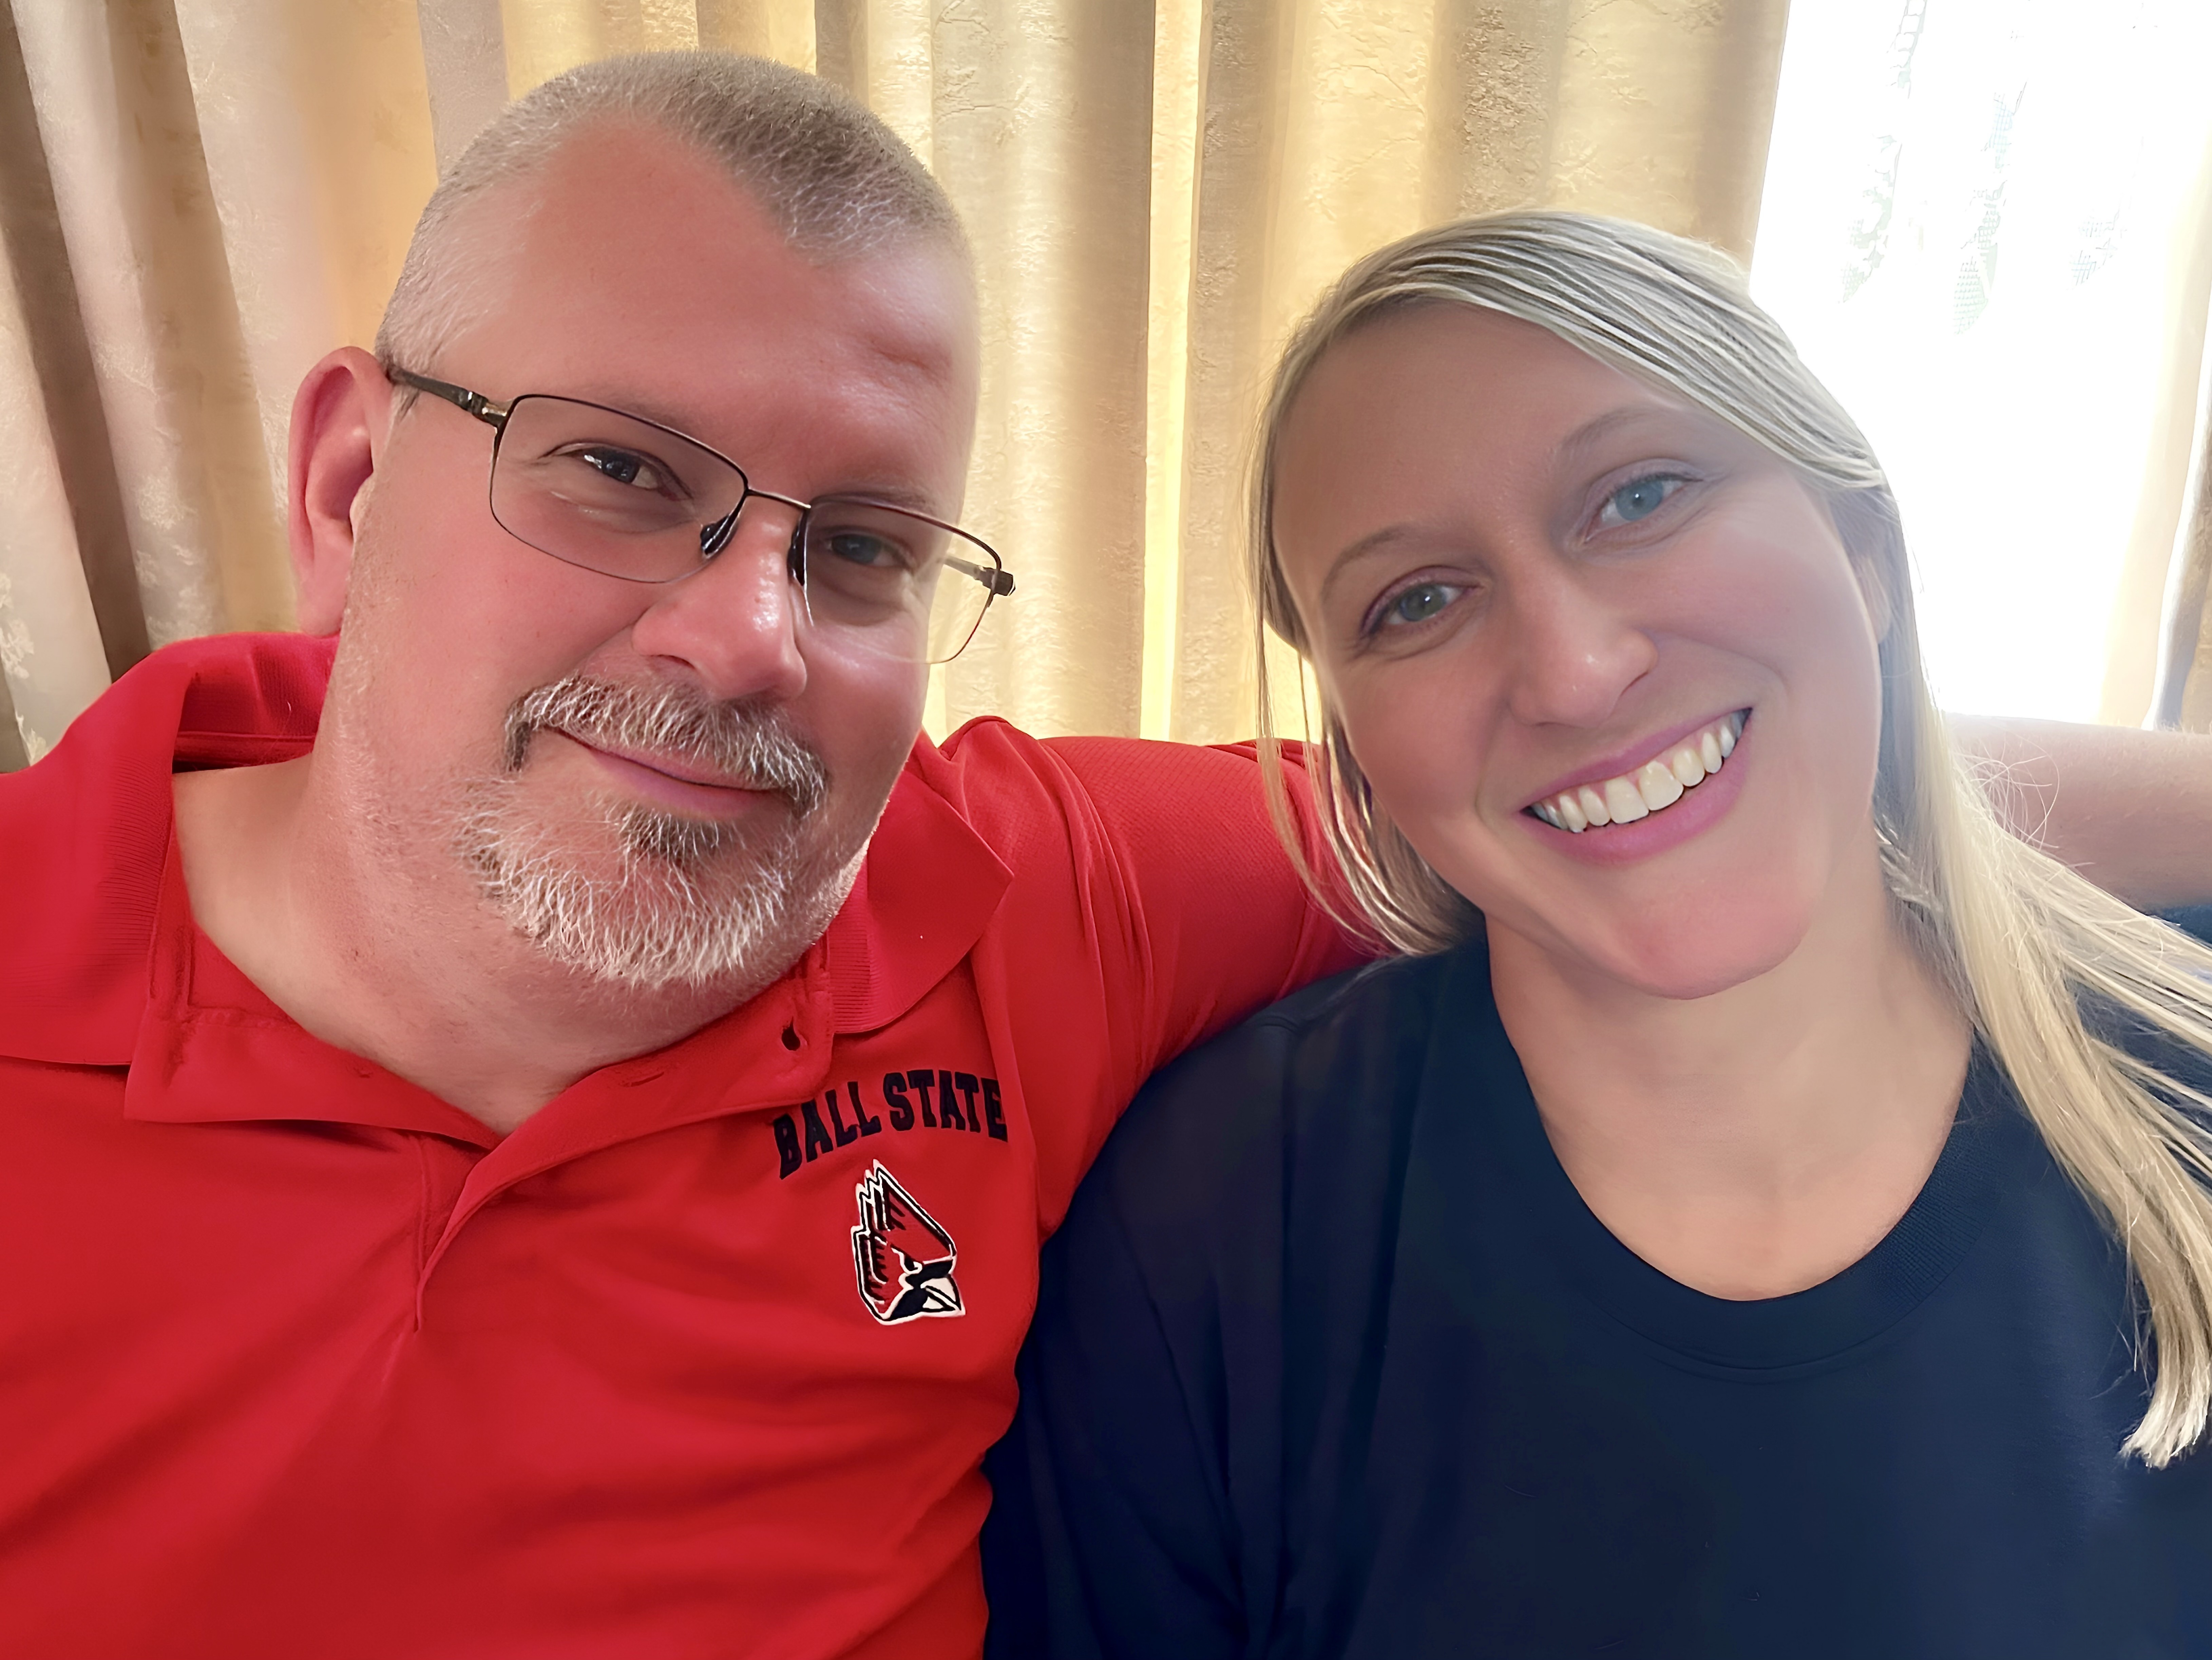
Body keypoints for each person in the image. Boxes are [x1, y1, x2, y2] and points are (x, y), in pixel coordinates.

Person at [0, 54, 2199, 1660]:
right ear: (350, 479)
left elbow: (1625, 754)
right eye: (618, 471)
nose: (746, 632)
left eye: (863, 546)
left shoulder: (1026, 896)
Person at [982, 211, 2212, 1659]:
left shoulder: (2179, 1081)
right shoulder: (1213, 1235)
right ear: (1357, 753)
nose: (1572, 672)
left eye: (1641, 495)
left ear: (1865, 546)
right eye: (1417, 602)